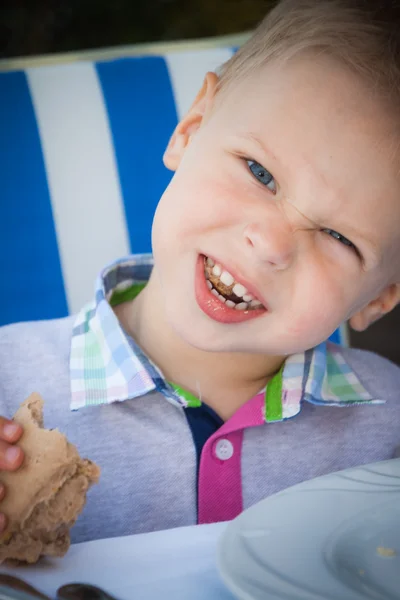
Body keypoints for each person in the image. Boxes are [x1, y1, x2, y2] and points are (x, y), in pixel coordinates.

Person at [1, 0, 400, 544]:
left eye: (339, 237)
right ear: (190, 130)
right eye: (260, 172)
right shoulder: (7, 392)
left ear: (382, 297)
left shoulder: (390, 429)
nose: (269, 244)